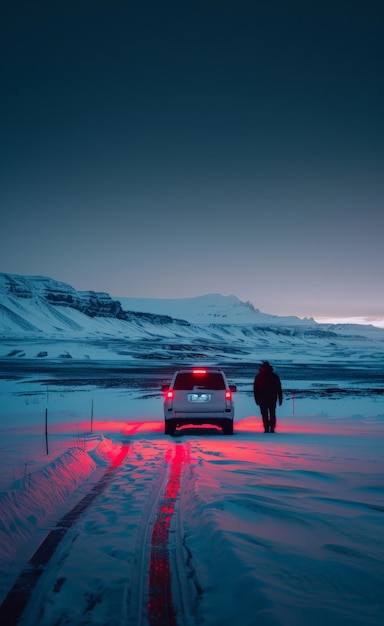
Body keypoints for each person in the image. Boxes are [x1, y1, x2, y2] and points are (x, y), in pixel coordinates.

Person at [253, 361, 282, 433]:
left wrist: (256, 399)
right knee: (272, 414)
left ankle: (267, 428)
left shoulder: (259, 377)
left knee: (265, 414)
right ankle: (271, 428)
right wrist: (280, 398)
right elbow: (279, 389)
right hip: (272, 399)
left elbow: (255, 389)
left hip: (263, 399)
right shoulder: (274, 376)